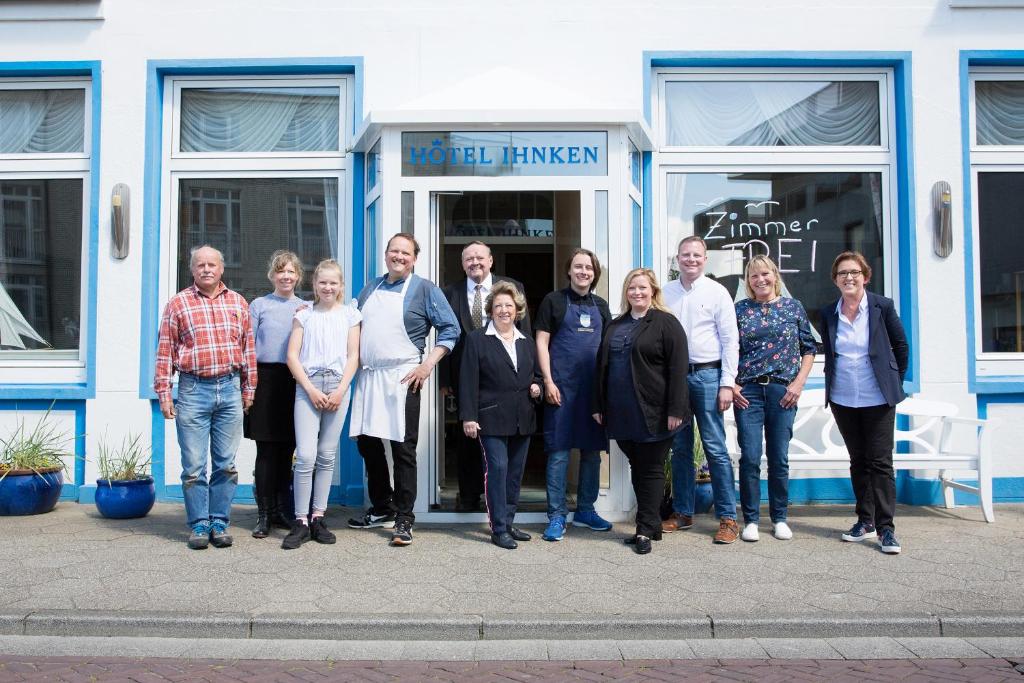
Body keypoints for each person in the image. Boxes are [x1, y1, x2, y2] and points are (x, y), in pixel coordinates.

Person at [348, 232, 460, 546]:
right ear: (386, 254)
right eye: (394, 251)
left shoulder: (425, 289)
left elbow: (451, 328)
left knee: (403, 449)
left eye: (405, 253)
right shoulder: (371, 287)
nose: (399, 256)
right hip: (369, 376)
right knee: (367, 443)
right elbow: (352, 327)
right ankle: (382, 505)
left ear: (414, 258)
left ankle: (404, 518)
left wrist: (428, 365)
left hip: (403, 376)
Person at [154, 245, 256, 550]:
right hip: (192, 390)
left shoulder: (238, 302)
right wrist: (163, 392)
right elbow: (165, 350)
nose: (207, 269)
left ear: (222, 268)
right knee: (194, 465)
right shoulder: (178, 304)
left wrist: (248, 389)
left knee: (226, 463)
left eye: (212, 264)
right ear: (193, 269)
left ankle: (219, 521)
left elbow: (248, 349)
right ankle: (199, 524)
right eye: (201, 265)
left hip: (229, 389)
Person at [593, 268, 689, 555]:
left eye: (642, 288)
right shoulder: (615, 324)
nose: (637, 292)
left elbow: (678, 369)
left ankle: (645, 529)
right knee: (638, 466)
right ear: (626, 292)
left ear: (653, 291)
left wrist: (675, 410)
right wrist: (598, 405)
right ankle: (651, 525)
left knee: (650, 468)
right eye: (632, 288)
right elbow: (601, 367)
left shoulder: (666, 323)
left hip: (655, 411)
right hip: (621, 412)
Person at [820, 251, 909, 555]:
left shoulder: (882, 307)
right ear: (835, 280)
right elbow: (832, 353)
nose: (849, 277)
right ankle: (864, 521)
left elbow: (900, 346)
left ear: (865, 276)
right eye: (842, 273)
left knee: (880, 462)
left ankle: (886, 529)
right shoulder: (830, 312)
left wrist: (892, 379)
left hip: (878, 397)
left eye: (854, 272)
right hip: (844, 397)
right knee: (858, 460)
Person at [440, 240, 531, 512]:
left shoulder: (512, 288)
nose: (474, 263)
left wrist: (531, 379)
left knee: (504, 444)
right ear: (462, 264)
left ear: (491, 261)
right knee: (468, 438)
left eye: (480, 257)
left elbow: (525, 333)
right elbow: (446, 335)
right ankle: (469, 496)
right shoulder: (450, 292)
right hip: (464, 377)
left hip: (504, 378)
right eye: (469, 259)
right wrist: (445, 378)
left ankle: (501, 503)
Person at [662, 236, 741, 544]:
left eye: (696, 255)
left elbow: (730, 341)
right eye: (685, 255)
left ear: (705, 259)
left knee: (715, 448)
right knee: (680, 449)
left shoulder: (717, 292)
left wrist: (727, 383)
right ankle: (683, 512)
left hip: (708, 376)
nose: (691, 259)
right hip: (676, 379)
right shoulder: (665, 293)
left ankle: (728, 518)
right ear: (677, 258)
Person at [732, 255, 816, 543]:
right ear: (748, 282)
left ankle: (780, 518)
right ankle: (751, 520)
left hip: (783, 391)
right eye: (754, 276)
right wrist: (731, 384)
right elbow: (728, 347)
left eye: (765, 274)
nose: (760, 280)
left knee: (779, 459)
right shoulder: (740, 309)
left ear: (775, 276)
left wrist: (799, 383)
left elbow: (809, 348)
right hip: (749, 393)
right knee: (750, 458)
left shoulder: (793, 307)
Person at [281, 259, 361, 550]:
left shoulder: (351, 316)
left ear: (340, 286)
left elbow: (353, 356)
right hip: (309, 386)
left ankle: (318, 516)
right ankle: (300, 520)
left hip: (338, 387)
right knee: (305, 455)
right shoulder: (304, 315)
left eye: (333, 283)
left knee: (327, 454)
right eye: (322, 282)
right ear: (314, 285)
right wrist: (311, 389)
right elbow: (292, 355)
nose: (328, 287)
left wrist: (341, 390)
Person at [535, 248, 613, 542]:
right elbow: (541, 343)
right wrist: (548, 381)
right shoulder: (553, 301)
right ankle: (556, 515)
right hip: (561, 389)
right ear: (569, 271)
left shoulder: (601, 306)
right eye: (578, 267)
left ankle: (585, 510)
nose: (583, 272)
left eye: (589, 268)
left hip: (592, 391)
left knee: (592, 454)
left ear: (595, 274)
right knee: (559, 454)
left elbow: (607, 349)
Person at [459, 282, 542, 549]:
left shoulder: (527, 342)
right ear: (490, 311)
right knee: (497, 469)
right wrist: (468, 417)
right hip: (490, 418)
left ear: (517, 310)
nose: (504, 310)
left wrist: (537, 386)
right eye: (498, 306)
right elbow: (468, 380)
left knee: (515, 474)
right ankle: (498, 528)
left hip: (522, 418)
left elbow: (536, 375)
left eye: (509, 306)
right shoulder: (477, 339)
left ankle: (507, 521)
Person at [245, 250, 305, 540]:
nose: (286, 276)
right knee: (266, 451)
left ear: (298, 276)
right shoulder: (259, 305)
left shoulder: (306, 308)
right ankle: (263, 514)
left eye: (291, 271)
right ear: (272, 275)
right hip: (264, 381)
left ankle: (282, 509)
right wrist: (248, 386)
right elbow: (247, 346)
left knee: (287, 450)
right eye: (281, 271)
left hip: (294, 381)